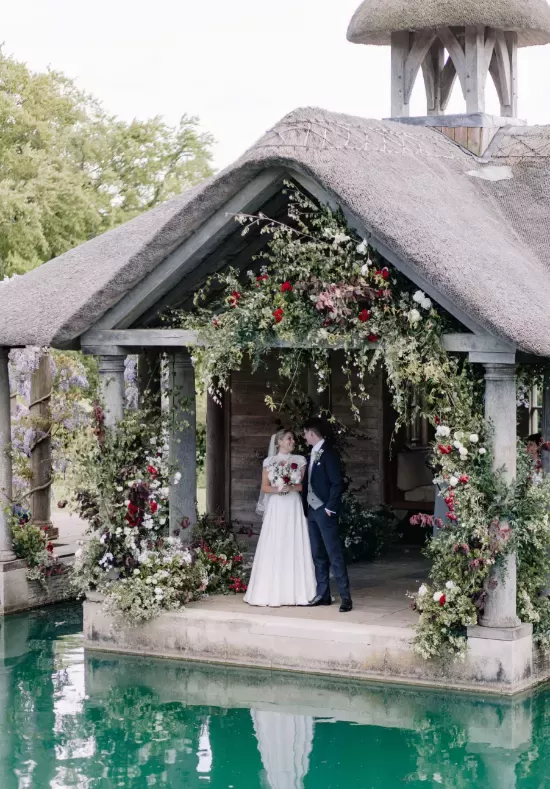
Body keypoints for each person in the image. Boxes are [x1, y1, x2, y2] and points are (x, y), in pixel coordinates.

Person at [244, 429, 317, 607]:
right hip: (276, 506)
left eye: (292, 439)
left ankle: (298, 591)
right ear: (279, 442)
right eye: (288, 439)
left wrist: (291, 486)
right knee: (275, 542)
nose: (292, 441)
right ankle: (270, 591)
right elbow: (265, 487)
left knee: (293, 541)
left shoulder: (300, 460)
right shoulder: (269, 462)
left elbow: (304, 486)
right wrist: (278, 489)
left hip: (292, 505)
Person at [302, 417, 353, 613]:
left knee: (335, 554)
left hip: (325, 511)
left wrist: (329, 508)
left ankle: (346, 598)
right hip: (312, 511)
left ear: (312, 433)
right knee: (318, 555)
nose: (304, 437)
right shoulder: (311, 454)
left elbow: (336, 483)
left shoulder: (329, 453)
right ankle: (323, 595)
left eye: (305, 433)